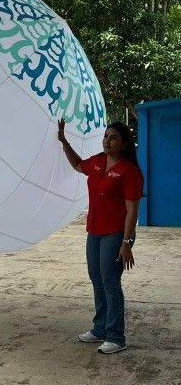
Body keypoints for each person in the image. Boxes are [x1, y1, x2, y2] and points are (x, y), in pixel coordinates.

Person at [58, 119, 143, 354]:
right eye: (106, 136)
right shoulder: (97, 162)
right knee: (96, 279)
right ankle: (100, 329)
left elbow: (132, 210)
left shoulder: (129, 172)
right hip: (94, 231)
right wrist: (64, 142)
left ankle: (116, 336)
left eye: (113, 137)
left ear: (124, 144)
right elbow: (78, 165)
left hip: (116, 234)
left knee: (110, 283)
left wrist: (126, 243)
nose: (107, 141)